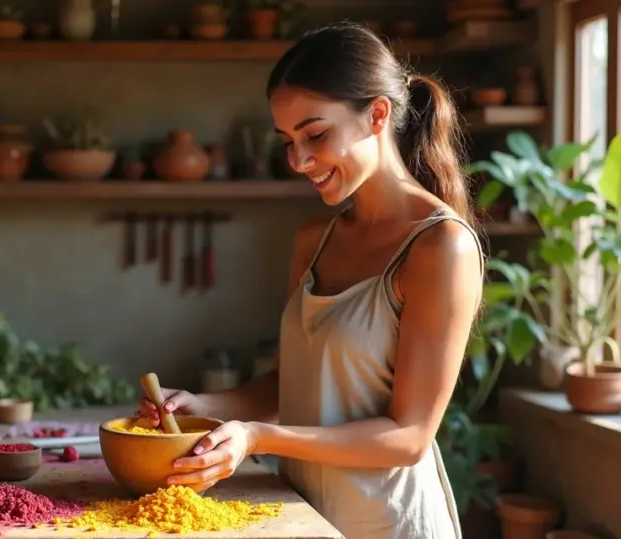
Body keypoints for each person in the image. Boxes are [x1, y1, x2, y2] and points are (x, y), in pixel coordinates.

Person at [136, 22, 484, 539]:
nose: (298, 160)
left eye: (315, 135)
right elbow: (290, 387)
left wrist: (257, 438)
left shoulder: (440, 246)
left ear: (377, 115)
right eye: (288, 141)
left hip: (390, 525)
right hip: (304, 519)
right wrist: (203, 408)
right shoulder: (314, 240)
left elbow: (409, 437)